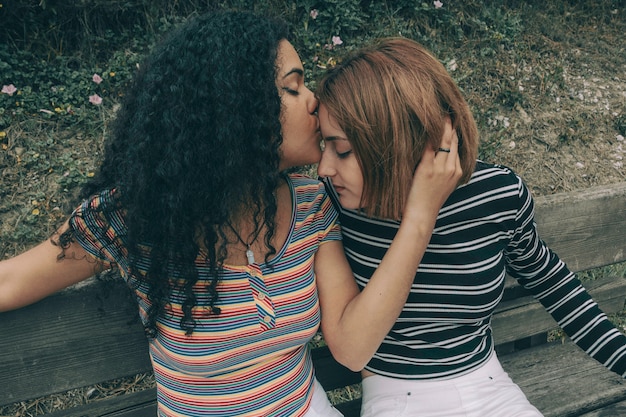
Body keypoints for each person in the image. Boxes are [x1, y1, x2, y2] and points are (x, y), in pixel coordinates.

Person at [0, 12, 463, 417]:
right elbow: (13, 281)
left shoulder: (311, 204)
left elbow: (353, 345)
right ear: (235, 112)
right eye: (292, 87)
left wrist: (420, 218)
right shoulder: (141, 218)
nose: (314, 101)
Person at [315, 37, 626, 417]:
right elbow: (349, 350)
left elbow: (552, 282)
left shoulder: (495, 195)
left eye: (341, 150)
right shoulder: (334, 205)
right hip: (396, 395)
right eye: (324, 146)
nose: (324, 167)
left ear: (395, 143)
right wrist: (419, 217)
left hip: (489, 386)